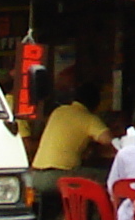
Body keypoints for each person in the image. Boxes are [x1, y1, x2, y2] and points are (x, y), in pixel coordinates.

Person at [30, 62, 110, 190]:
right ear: (95, 103)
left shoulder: (59, 111)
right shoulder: (88, 118)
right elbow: (108, 141)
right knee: (107, 176)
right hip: (59, 176)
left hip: (35, 176)